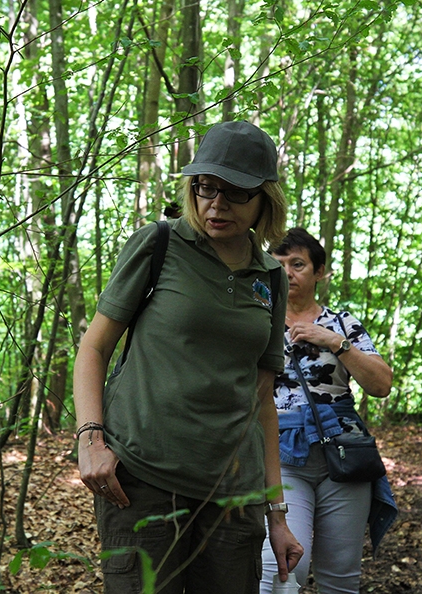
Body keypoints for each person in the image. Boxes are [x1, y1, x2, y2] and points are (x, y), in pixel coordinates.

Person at [73, 120, 303, 594]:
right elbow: (94, 347)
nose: (215, 204)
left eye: (235, 192)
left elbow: (262, 400)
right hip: (143, 480)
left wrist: (276, 512)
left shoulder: (271, 277)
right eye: (205, 187)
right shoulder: (159, 244)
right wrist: (90, 438)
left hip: (234, 494)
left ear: (265, 198)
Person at [258, 227, 397, 594]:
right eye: (279, 262)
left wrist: (335, 342)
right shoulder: (255, 320)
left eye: (298, 263)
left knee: (340, 577)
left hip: (342, 455)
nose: (287, 272)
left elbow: (381, 384)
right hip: (282, 454)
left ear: (319, 272)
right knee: (283, 569)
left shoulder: (342, 323)